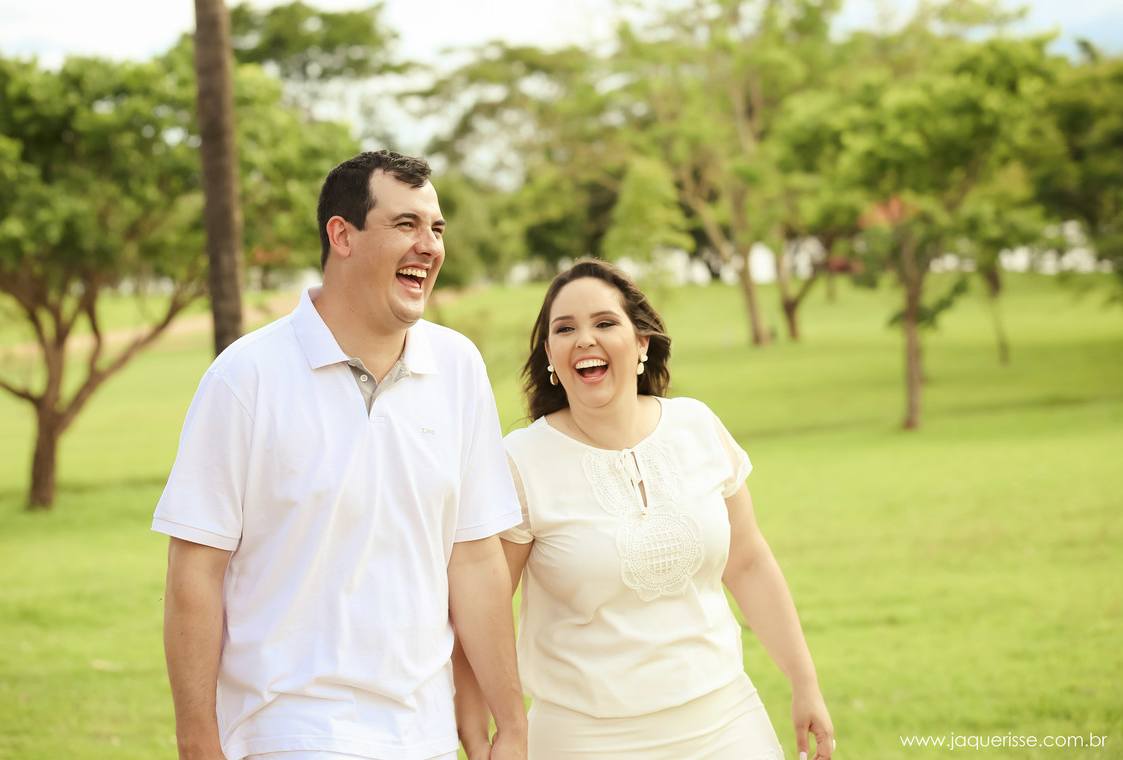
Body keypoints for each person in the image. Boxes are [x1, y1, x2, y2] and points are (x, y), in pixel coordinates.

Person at [153, 150, 527, 760]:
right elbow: (196, 568)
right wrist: (198, 742)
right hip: (289, 732)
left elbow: (476, 558)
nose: (428, 246)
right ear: (341, 235)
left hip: (422, 734)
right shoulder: (245, 376)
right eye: (405, 225)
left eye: (435, 228)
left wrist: (509, 721)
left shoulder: (458, 367)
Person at [455, 259, 835, 760]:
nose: (585, 339)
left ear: (642, 343)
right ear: (550, 355)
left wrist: (803, 682)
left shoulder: (697, 426)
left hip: (727, 720)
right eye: (565, 329)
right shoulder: (521, 462)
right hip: (584, 739)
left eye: (605, 323)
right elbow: (480, 609)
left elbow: (749, 562)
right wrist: (484, 733)